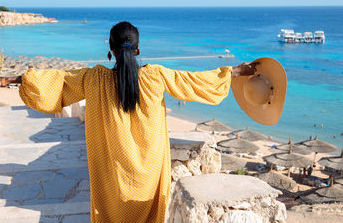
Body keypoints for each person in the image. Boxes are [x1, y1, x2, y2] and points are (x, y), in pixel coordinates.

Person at [18, 21, 256, 222]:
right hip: (149, 169)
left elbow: (54, 84)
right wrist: (234, 71)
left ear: (110, 49)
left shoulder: (94, 79)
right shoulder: (155, 76)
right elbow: (195, 82)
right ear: (138, 50)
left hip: (111, 171)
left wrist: (26, 78)